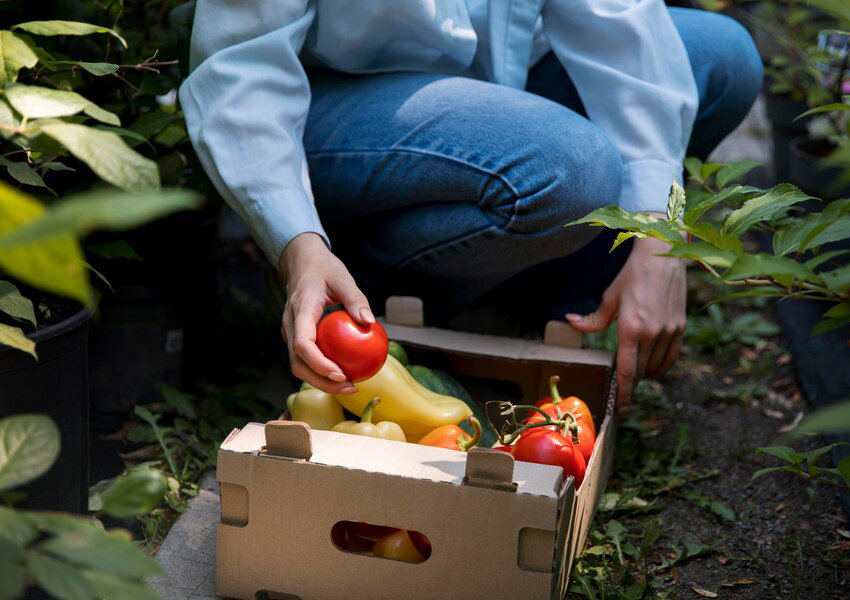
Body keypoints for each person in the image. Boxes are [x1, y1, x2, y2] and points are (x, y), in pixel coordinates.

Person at [180, 0, 762, 412]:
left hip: (500, 98)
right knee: (570, 168)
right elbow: (243, 63)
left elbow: (620, 18)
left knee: (721, 55)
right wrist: (295, 241)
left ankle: (523, 303)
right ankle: (349, 296)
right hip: (327, 104)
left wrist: (658, 226)